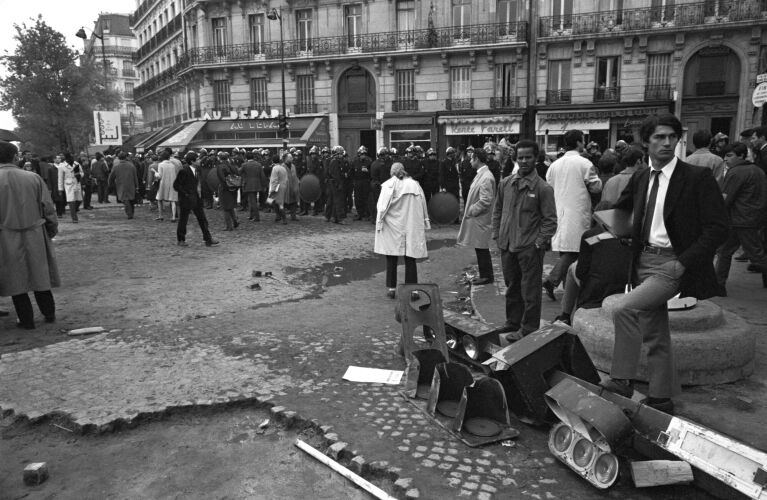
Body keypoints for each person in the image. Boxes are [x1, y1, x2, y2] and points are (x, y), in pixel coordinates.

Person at [601, 113, 728, 414]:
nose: (667, 142)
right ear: (646, 142)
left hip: (671, 264)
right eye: (659, 137)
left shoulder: (696, 177)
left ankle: (621, 380)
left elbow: (719, 228)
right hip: (642, 259)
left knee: (624, 308)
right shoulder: (642, 177)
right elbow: (621, 211)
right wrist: (607, 227)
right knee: (656, 331)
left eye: (672, 136)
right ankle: (662, 396)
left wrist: (683, 263)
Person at [491, 139, 557, 338]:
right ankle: (512, 323)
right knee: (512, 287)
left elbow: (550, 221)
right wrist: (497, 235)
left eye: (528, 157)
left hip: (529, 248)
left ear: (536, 159)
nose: (524, 161)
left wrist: (538, 243)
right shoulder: (506, 184)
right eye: (520, 158)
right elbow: (498, 211)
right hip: (507, 246)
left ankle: (528, 329)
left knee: (530, 290)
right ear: (515, 159)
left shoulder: (543, 188)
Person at [0, 141, 60, 329]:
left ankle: (26, 320)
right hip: (35, 232)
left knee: (15, 279)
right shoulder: (33, 178)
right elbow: (48, 208)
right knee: (40, 274)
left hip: (5, 236)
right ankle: (49, 314)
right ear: (15, 156)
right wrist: (50, 230)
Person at [544, 129, 603, 299]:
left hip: (558, 211)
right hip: (577, 212)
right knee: (576, 251)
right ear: (578, 142)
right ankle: (553, 280)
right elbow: (595, 187)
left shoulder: (554, 165)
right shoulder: (584, 163)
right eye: (582, 140)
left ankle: (565, 287)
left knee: (566, 250)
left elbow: (549, 186)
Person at [554, 219, 633, 326]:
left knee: (573, 267)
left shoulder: (593, 236)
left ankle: (565, 315)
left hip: (598, 288)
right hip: (627, 285)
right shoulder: (634, 233)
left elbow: (581, 272)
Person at [714, 142, 767, 292]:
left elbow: (725, 199)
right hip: (752, 218)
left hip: (740, 220)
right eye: (724, 155)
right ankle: (718, 285)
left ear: (741, 155)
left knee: (755, 255)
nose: (725, 159)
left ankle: (719, 285)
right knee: (727, 251)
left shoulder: (736, 172)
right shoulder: (757, 170)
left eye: (729, 155)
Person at [374, 162, 430, 298]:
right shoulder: (414, 185)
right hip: (410, 223)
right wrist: (425, 220)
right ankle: (413, 290)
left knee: (391, 256)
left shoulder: (388, 185)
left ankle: (392, 288)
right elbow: (423, 203)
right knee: (410, 257)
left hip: (393, 225)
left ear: (392, 172)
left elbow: (381, 207)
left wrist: (379, 223)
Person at [457, 149, 497, 285]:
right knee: (480, 247)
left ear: (477, 159)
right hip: (480, 219)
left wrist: (472, 210)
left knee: (482, 248)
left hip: (481, 218)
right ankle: (485, 275)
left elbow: (486, 200)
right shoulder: (483, 174)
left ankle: (486, 276)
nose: (470, 161)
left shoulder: (485, 176)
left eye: (472, 158)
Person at [173, 151, 219, 247]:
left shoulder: (196, 170)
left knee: (202, 219)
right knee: (183, 220)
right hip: (186, 199)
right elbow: (176, 185)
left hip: (196, 198)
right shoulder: (184, 170)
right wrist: (186, 194)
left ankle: (208, 239)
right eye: (197, 159)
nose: (199, 160)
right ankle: (181, 239)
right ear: (192, 161)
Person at [108, 152, 139, 219]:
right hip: (131, 185)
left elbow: (111, 177)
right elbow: (135, 177)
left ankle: (129, 214)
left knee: (125, 199)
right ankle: (131, 213)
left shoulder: (116, 167)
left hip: (121, 185)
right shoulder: (131, 166)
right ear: (126, 157)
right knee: (131, 199)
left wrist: (110, 184)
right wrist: (137, 186)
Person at [240, 151, 267, 222]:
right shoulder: (258, 164)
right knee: (252, 200)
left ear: (246, 158)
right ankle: (252, 215)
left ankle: (257, 217)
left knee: (252, 201)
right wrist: (264, 185)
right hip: (257, 184)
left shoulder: (244, 165)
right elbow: (262, 176)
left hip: (249, 184)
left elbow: (239, 172)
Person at [216, 152, 240, 230]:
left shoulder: (220, 166)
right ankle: (235, 221)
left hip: (225, 188)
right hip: (234, 187)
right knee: (231, 206)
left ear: (220, 158)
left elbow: (222, 179)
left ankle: (229, 226)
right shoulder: (232, 165)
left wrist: (225, 186)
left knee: (226, 208)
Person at [325, 145, 348, 224]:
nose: (341, 155)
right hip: (335, 182)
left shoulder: (337, 161)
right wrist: (339, 183)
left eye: (341, 153)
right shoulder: (334, 161)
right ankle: (340, 218)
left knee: (332, 200)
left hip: (334, 182)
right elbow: (335, 174)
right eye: (340, 154)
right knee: (338, 201)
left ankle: (331, 216)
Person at [58, 153, 84, 223]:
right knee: (71, 201)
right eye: (70, 158)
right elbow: (60, 178)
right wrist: (60, 189)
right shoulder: (62, 166)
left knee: (79, 200)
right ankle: (74, 218)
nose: (71, 159)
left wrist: (79, 174)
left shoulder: (77, 164)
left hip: (77, 182)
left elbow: (82, 173)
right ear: (66, 159)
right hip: (68, 184)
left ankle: (73, 211)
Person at [156, 150, 179, 221]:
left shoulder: (160, 164)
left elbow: (159, 176)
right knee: (173, 200)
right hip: (172, 183)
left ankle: (160, 216)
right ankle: (173, 217)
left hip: (163, 184)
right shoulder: (172, 165)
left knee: (159, 199)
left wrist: (155, 173)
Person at [351, 146, 372, 220]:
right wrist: (353, 181)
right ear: (359, 154)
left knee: (366, 198)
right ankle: (360, 214)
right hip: (357, 182)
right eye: (362, 154)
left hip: (366, 181)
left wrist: (367, 171)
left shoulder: (369, 161)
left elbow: (372, 173)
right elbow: (352, 172)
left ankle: (367, 214)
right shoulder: (355, 161)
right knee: (358, 198)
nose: (363, 155)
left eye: (364, 154)